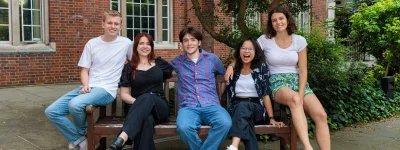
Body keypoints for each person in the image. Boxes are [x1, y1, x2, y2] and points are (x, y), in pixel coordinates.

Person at [225, 6, 330, 150]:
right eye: (274, 20)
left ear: (287, 19)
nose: (278, 22)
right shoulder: (264, 40)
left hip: (298, 82)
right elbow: (247, 52)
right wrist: (232, 65)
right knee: (294, 99)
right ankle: (307, 147)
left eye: (281, 18)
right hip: (277, 82)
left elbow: (304, 70)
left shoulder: (299, 40)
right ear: (271, 23)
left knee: (321, 115)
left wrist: (301, 92)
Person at [45, 10, 132, 150]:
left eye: (116, 24)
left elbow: (134, 61)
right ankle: (81, 139)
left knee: (75, 105)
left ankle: (83, 135)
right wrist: (85, 85)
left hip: (107, 90)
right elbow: (84, 70)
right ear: (102, 24)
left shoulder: (126, 43)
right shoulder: (92, 43)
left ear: (120, 26)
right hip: (90, 87)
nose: (113, 26)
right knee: (52, 111)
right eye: (109, 22)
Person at [108, 33, 173, 150]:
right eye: (141, 43)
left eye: (148, 44)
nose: (145, 46)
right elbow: (124, 94)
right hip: (138, 108)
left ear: (152, 47)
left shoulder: (160, 64)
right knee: (146, 121)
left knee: (148, 97)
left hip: (159, 107)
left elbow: (175, 69)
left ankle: (123, 136)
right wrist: (141, 104)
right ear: (136, 47)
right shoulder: (129, 68)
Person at [171, 26, 232, 150]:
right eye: (186, 40)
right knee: (183, 127)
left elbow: (224, 73)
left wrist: (231, 65)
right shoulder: (177, 62)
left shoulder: (212, 59)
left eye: (193, 40)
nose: (189, 43)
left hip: (211, 105)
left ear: (199, 42)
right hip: (188, 107)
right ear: (182, 44)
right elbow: (158, 68)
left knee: (225, 123)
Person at [225, 38, 285, 150]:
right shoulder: (235, 68)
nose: (246, 51)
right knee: (246, 121)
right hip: (236, 107)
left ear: (255, 52)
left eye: (250, 49)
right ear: (239, 51)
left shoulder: (261, 68)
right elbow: (227, 85)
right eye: (243, 48)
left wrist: (271, 118)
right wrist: (230, 67)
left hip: (256, 107)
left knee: (243, 108)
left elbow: (265, 94)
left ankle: (234, 145)